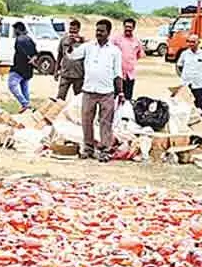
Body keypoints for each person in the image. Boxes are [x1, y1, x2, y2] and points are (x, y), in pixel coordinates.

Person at [66, 19, 123, 161]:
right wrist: (72, 44)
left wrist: (120, 92)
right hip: (88, 91)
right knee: (86, 121)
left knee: (105, 122)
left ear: (108, 32)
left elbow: (117, 74)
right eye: (97, 30)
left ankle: (104, 150)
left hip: (106, 92)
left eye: (102, 31)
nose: (98, 33)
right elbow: (72, 56)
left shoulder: (114, 51)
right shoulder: (88, 46)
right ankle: (88, 148)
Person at [176, 34, 202, 121]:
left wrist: (200, 76)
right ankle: (187, 121)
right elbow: (179, 66)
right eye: (188, 42)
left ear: (198, 43)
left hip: (200, 83)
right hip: (186, 83)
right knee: (186, 103)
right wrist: (184, 76)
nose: (190, 44)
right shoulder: (184, 54)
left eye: (193, 42)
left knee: (201, 103)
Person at [111, 17, 144, 100]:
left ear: (134, 28)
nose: (128, 29)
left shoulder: (137, 41)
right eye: (126, 26)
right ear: (123, 27)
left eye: (130, 27)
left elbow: (139, 55)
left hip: (130, 76)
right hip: (117, 75)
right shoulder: (116, 39)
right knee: (114, 99)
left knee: (127, 100)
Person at [7, 22, 37, 111]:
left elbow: (21, 54)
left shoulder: (19, 39)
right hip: (28, 68)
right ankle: (27, 109)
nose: (13, 32)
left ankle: (25, 104)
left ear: (18, 30)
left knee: (12, 85)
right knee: (24, 88)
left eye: (14, 30)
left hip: (19, 67)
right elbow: (35, 53)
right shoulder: (29, 39)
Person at [56, 19, 85, 99]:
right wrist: (56, 71)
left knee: (78, 98)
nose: (72, 31)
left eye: (74, 29)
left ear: (79, 29)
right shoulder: (64, 40)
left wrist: (80, 41)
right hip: (65, 74)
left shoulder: (83, 42)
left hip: (78, 75)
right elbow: (59, 55)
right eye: (71, 29)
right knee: (60, 97)